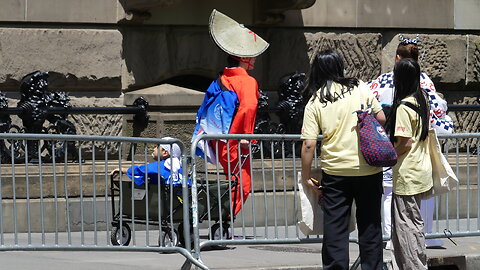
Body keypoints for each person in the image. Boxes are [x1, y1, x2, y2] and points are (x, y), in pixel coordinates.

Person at [301, 49, 385, 270]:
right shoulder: (360, 87)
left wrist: (306, 176)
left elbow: (309, 144)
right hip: (369, 169)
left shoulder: (316, 100)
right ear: (339, 66)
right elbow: (382, 118)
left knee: (335, 230)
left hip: (336, 173)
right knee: (370, 227)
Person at [368, 34, 454, 249]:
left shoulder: (383, 81)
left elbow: (370, 105)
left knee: (389, 192)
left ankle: (391, 235)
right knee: (423, 194)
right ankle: (425, 234)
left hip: (395, 143)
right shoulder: (425, 82)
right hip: (421, 145)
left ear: (397, 57)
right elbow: (438, 110)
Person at [193, 9, 269, 216]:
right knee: (242, 184)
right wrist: (244, 136)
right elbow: (248, 107)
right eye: (251, 54)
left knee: (232, 180)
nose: (254, 58)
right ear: (244, 57)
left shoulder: (221, 79)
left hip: (219, 138)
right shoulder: (247, 81)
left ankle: (220, 220)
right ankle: (223, 221)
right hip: (235, 140)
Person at [386, 58, 433, 269]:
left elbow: (404, 143)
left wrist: (388, 155)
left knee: (406, 226)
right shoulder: (422, 98)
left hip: (407, 174)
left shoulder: (404, 107)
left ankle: (414, 266)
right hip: (421, 169)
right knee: (415, 223)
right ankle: (417, 263)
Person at [110, 137, 185, 186]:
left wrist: (123, 170)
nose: (153, 149)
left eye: (156, 146)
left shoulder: (161, 165)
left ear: (165, 152)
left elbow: (140, 171)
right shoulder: (180, 167)